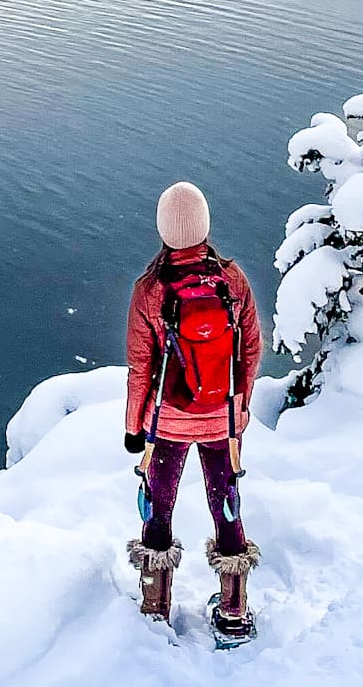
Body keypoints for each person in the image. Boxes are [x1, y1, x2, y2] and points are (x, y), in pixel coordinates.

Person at [123, 180, 263, 637]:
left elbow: (140, 367)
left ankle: (155, 605)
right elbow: (251, 349)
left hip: (168, 423)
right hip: (221, 420)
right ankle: (235, 610)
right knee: (226, 505)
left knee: (157, 507)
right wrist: (238, 408)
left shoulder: (150, 289)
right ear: (205, 224)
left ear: (163, 229)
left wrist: (133, 428)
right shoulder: (231, 280)